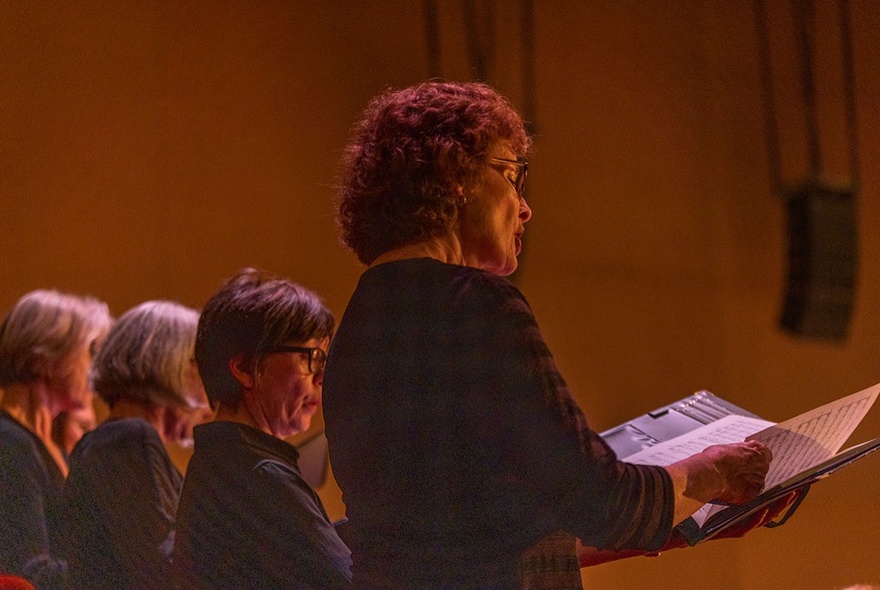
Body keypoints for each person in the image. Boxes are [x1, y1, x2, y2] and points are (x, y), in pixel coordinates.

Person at [323, 81, 778, 589]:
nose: (524, 207)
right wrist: (714, 471)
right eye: (512, 175)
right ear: (455, 174)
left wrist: (672, 512)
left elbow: (475, 529)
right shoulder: (476, 304)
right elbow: (603, 501)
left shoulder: (358, 326)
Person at [172, 268, 352, 590]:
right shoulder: (259, 475)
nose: (322, 377)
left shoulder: (225, 465)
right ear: (244, 367)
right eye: (311, 357)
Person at [61, 300, 208, 590]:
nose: (208, 388)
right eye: (199, 366)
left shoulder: (113, 441)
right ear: (171, 363)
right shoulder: (127, 439)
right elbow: (166, 570)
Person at [0, 290, 111, 590]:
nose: (94, 370)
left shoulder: (50, 448)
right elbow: (26, 572)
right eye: (88, 352)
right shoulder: (9, 444)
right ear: (48, 359)